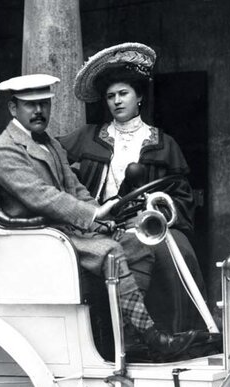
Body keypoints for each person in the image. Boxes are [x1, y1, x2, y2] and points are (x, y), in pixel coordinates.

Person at [0, 74, 198, 358]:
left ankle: (127, 336)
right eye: (30, 105)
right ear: (13, 108)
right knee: (110, 251)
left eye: (44, 103)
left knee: (137, 244)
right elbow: (41, 196)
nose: (39, 111)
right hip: (39, 235)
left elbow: (74, 187)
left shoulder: (49, 142)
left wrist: (100, 218)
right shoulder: (4, 149)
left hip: (66, 231)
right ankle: (151, 335)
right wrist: (92, 214)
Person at [59, 43, 205, 332]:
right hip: (100, 224)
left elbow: (182, 197)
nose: (116, 101)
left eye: (123, 93)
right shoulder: (87, 137)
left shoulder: (163, 143)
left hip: (149, 224)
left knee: (176, 252)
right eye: (110, 96)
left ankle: (170, 333)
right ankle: (121, 333)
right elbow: (51, 159)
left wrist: (154, 215)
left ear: (138, 96)